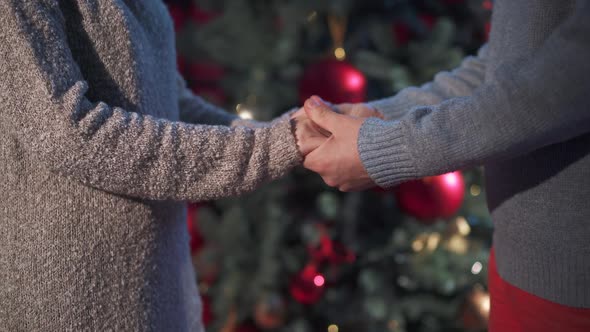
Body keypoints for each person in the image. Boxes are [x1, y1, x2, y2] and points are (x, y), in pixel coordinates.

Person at [0, 1, 324, 331]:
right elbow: (67, 133)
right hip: (69, 299)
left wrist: (283, 133)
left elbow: (169, 103)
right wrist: (272, 146)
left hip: (156, 289)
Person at [297, 0, 590, 330]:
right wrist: (379, 118)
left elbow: (564, 84)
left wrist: (385, 146)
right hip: (519, 264)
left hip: (574, 288)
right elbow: (509, 64)